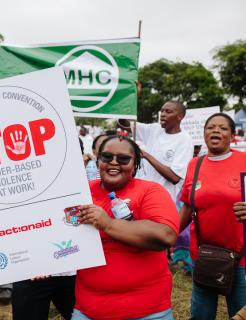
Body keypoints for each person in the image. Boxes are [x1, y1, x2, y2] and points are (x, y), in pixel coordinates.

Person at [73, 135, 179, 320]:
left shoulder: (151, 191)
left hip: (148, 312)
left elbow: (165, 235)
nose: (114, 163)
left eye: (123, 159)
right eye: (107, 157)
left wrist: (108, 224)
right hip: (89, 310)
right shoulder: (81, 192)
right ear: (98, 160)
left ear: (135, 163)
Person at [179, 113, 246, 319]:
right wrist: (169, 235)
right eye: (211, 127)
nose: (216, 130)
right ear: (204, 133)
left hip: (241, 257)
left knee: (240, 314)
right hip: (204, 255)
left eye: (223, 128)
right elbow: (188, 207)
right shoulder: (194, 165)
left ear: (232, 136)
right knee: (201, 314)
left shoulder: (244, 160)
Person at [119, 101, 193, 202]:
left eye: (168, 111)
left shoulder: (185, 140)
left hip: (162, 198)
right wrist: (124, 105)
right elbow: (125, 125)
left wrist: (147, 156)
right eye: (162, 111)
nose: (162, 114)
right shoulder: (154, 129)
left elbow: (175, 177)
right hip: (142, 193)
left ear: (179, 116)